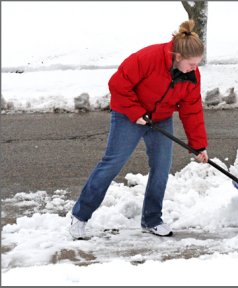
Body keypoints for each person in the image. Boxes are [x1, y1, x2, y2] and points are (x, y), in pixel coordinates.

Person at [69, 20, 208, 239]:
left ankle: (152, 220)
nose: (195, 69)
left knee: (162, 167)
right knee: (112, 163)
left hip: (159, 120)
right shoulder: (148, 58)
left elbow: (191, 110)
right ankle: (80, 216)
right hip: (128, 115)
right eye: (192, 64)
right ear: (178, 57)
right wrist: (136, 112)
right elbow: (117, 85)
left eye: (197, 64)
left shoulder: (192, 75)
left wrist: (198, 145)